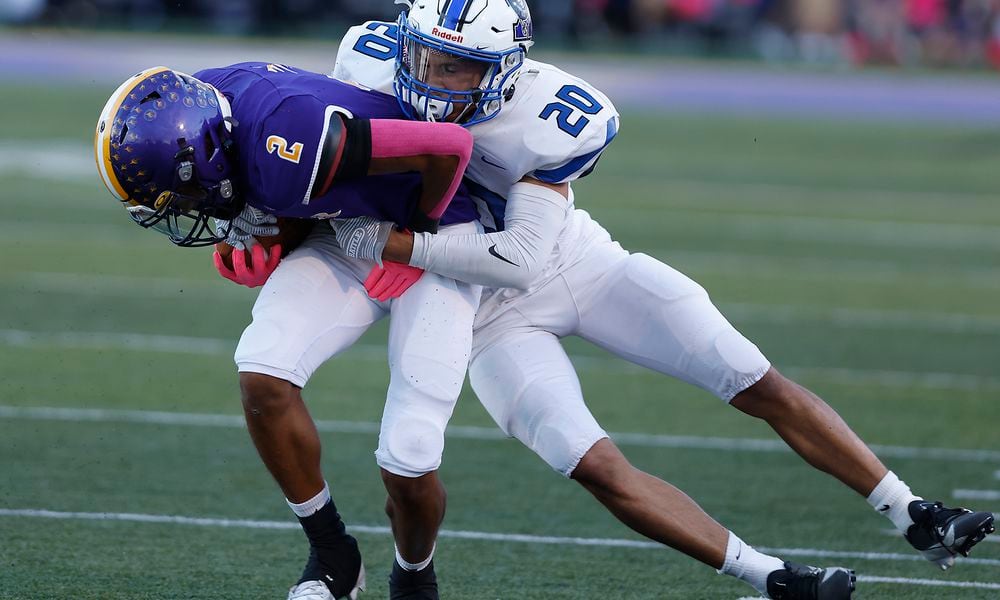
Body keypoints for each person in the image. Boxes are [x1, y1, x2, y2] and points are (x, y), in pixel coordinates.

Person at [327, 1, 996, 598]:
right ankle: (772, 580)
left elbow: (519, 258)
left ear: (504, 69)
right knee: (594, 464)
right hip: (481, 319)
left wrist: (388, 244)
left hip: (577, 265)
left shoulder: (549, 117)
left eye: (459, 69)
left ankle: (912, 512)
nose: (434, 81)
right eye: (428, 58)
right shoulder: (369, 61)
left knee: (753, 377)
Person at [94, 63, 485, 600]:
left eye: (179, 196)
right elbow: (294, 191)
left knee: (409, 450)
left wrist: (418, 237)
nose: (184, 210)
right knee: (263, 372)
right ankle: (332, 555)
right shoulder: (202, 107)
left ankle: (415, 578)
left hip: (435, 224)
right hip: (344, 225)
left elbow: (446, 147)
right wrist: (272, 234)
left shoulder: (288, 134)